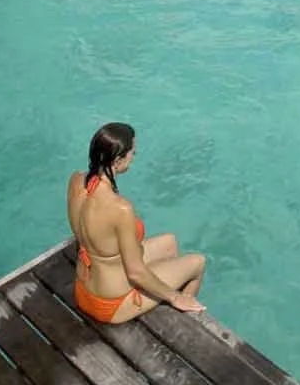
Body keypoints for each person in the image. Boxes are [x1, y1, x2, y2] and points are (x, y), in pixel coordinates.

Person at [67, 122, 207, 324]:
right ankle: (184, 324)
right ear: (117, 160)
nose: (134, 157)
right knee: (197, 263)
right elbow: (135, 272)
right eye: (132, 153)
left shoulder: (77, 180)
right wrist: (175, 297)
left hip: (84, 286)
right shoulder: (120, 209)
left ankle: (163, 300)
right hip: (110, 304)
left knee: (170, 243)